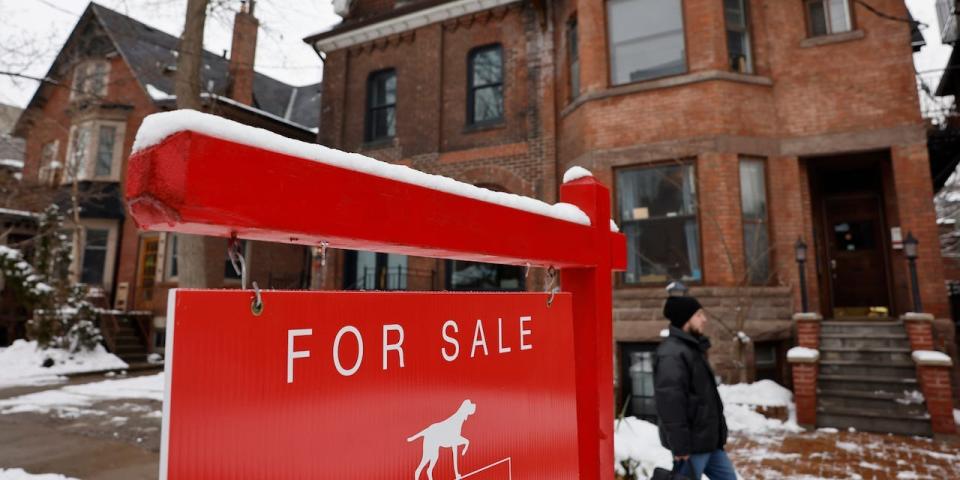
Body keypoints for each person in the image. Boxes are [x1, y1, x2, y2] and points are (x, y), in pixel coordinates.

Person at [653, 295, 738, 480]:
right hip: (691, 446)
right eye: (699, 315)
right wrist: (680, 446)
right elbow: (670, 404)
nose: (704, 319)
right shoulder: (672, 354)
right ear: (686, 319)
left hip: (710, 443)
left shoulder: (691, 348)